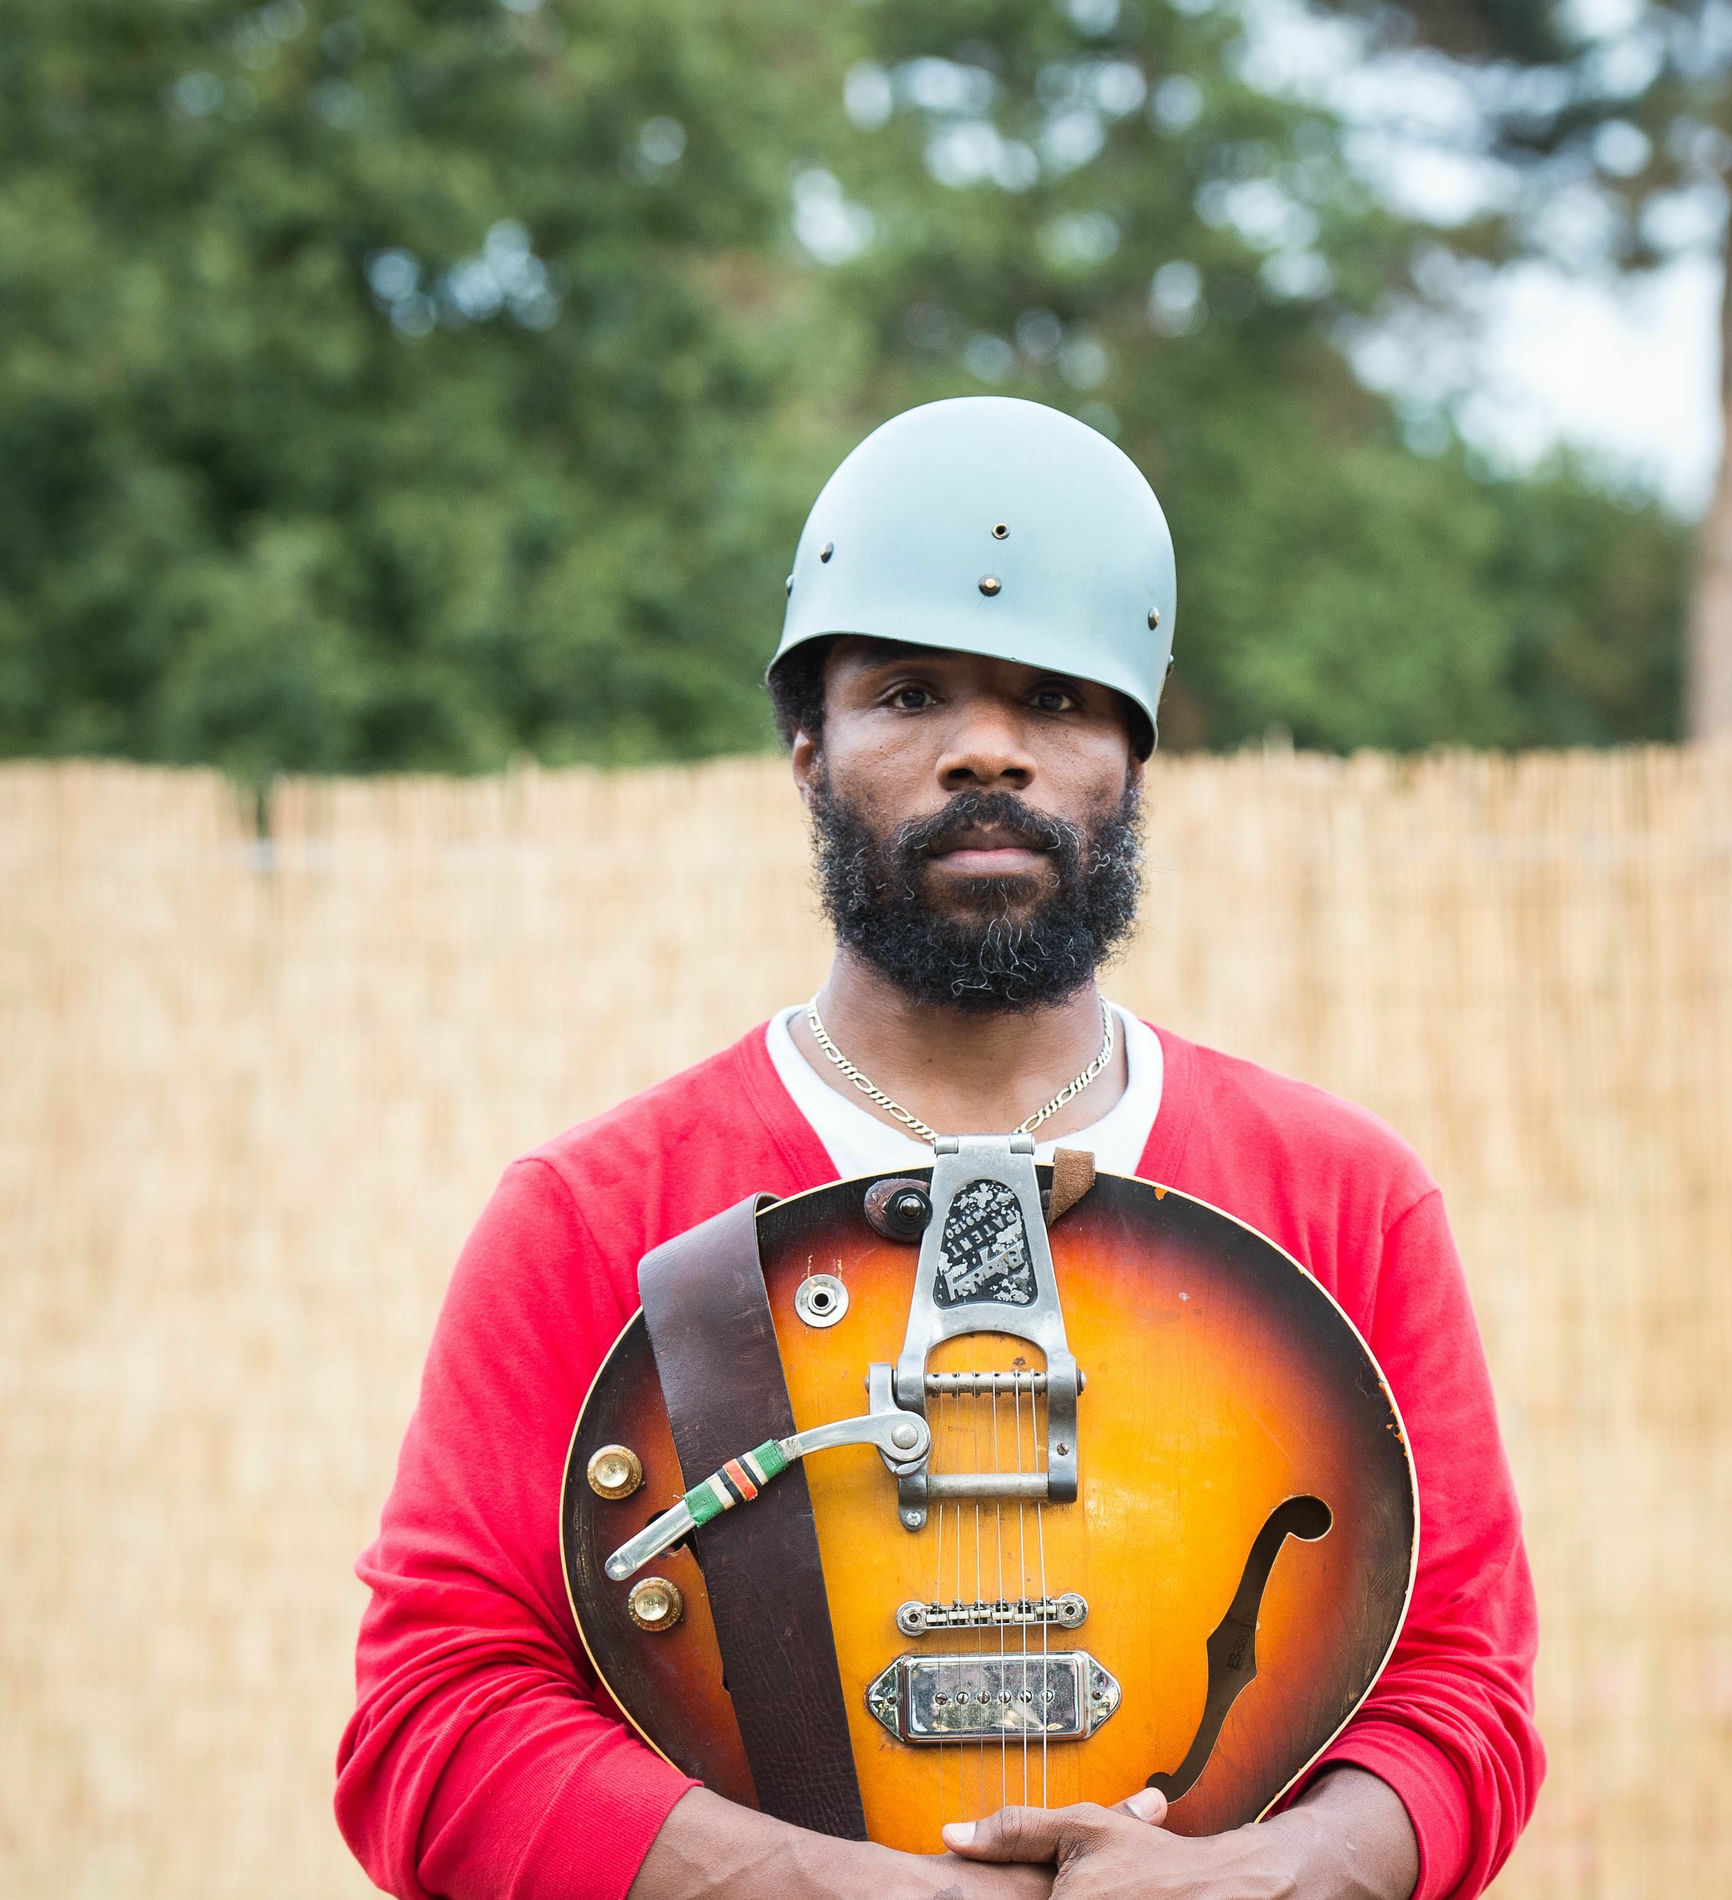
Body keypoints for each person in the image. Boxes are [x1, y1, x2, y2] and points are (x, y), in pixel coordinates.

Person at [336, 397, 1542, 1900]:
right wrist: (826, 1888)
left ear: (1132, 757)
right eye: (909, 696)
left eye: (1053, 698)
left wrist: (1265, 1879)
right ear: (804, 752)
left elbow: (1461, 1693)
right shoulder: (592, 1217)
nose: (988, 751)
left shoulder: (1343, 1201)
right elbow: (428, 1728)